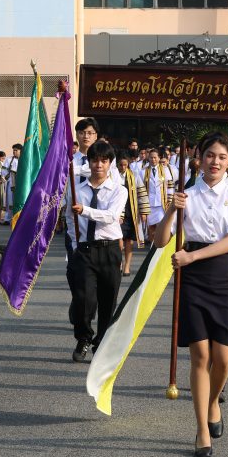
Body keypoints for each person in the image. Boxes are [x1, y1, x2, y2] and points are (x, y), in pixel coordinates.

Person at [154, 132, 228, 457]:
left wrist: (192, 257)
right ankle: (202, 429)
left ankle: (211, 403)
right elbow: (161, 240)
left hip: (221, 273)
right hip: (191, 279)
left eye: (221, 157)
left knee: (223, 359)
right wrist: (170, 210)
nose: (215, 162)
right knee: (201, 356)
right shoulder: (186, 193)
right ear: (199, 157)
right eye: (210, 155)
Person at [65, 141, 127, 363]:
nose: (99, 164)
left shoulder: (119, 190)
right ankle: (83, 338)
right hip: (85, 249)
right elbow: (70, 221)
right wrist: (74, 245)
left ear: (110, 164)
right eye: (94, 160)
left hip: (109, 249)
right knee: (83, 299)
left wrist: (86, 211)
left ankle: (101, 343)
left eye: (104, 160)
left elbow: (111, 216)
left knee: (108, 300)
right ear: (88, 162)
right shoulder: (77, 190)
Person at [117, 154, 150, 276]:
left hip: (131, 211)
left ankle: (127, 266)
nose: (123, 167)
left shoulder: (134, 176)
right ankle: (119, 262)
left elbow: (142, 194)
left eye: (125, 165)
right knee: (118, 240)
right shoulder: (113, 176)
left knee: (129, 241)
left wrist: (144, 211)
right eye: (121, 165)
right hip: (118, 212)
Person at [143, 147, 174, 243]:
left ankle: (159, 246)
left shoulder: (165, 170)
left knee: (161, 226)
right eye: (151, 157)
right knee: (151, 228)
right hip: (149, 203)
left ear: (159, 158)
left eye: (155, 157)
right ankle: (152, 247)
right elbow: (141, 190)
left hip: (162, 203)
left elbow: (170, 186)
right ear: (148, 158)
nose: (153, 160)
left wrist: (169, 200)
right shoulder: (143, 171)